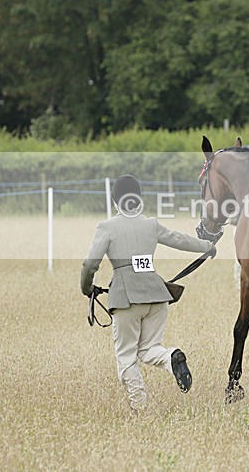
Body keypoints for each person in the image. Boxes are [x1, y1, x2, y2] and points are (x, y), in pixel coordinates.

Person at [80, 174, 215, 411]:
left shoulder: (107, 227)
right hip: (157, 296)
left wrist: (87, 288)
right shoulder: (151, 224)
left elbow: (90, 264)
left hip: (126, 299)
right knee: (149, 349)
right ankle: (171, 356)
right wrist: (207, 246)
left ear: (115, 200)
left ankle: (139, 408)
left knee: (126, 356)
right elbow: (178, 239)